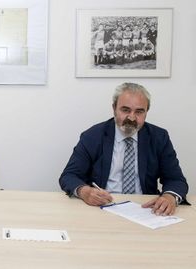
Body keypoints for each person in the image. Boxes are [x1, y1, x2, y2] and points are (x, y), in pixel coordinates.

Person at [59, 82, 188, 216]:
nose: (131, 117)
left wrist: (169, 197)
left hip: (146, 209)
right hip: (102, 207)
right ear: (114, 108)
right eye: (125, 110)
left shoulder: (159, 138)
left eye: (139, 111)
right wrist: (85, 192)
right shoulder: (93, 136)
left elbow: (176, 179)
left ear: (146, 112)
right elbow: (69, 176)